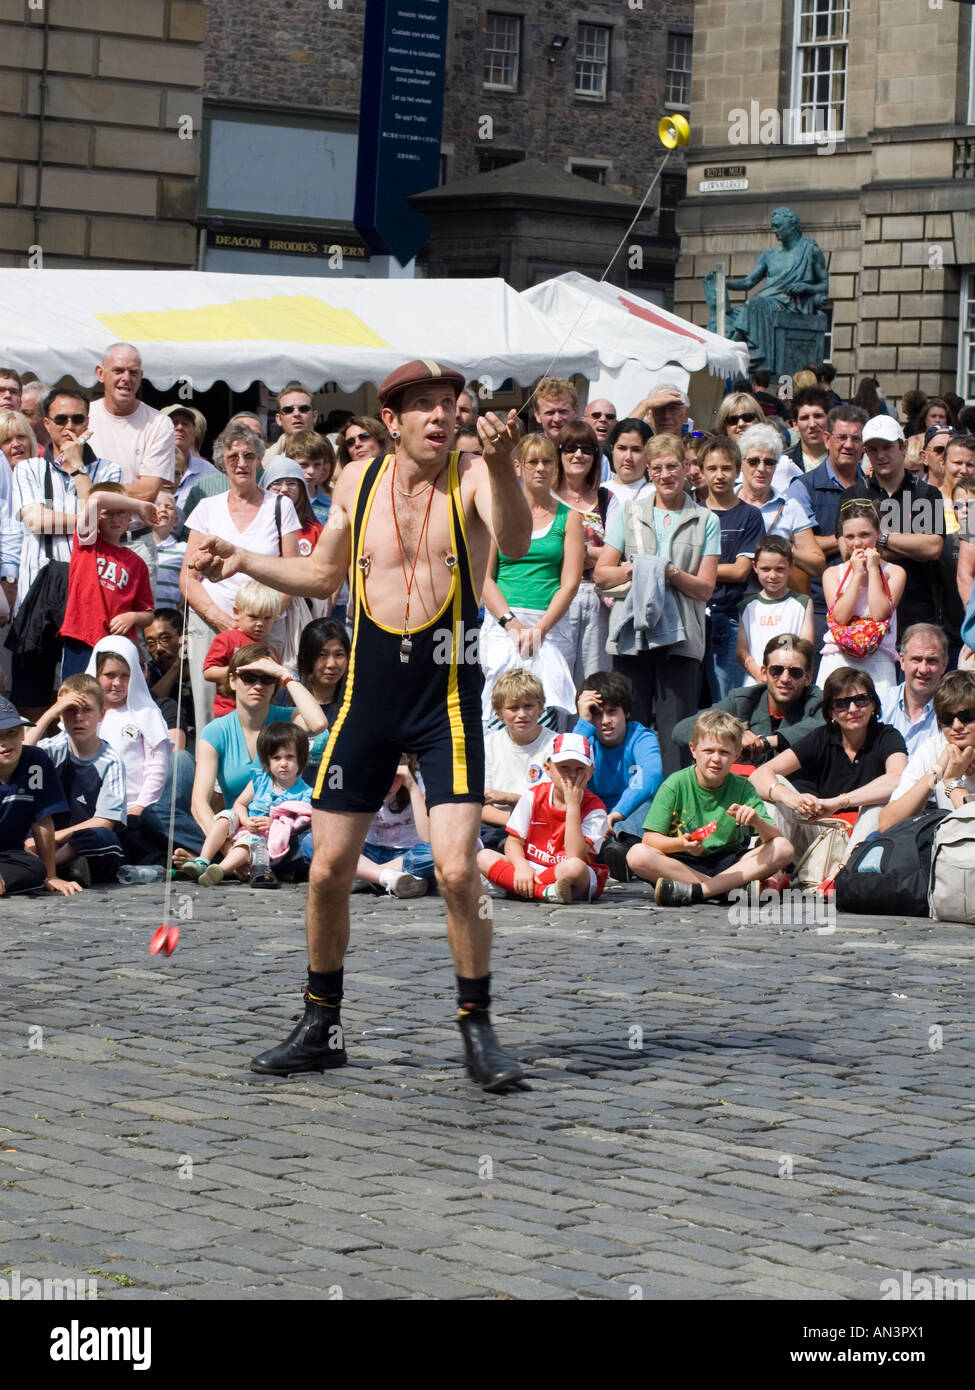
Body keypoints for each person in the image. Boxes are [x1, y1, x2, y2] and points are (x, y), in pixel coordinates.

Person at [193, 358, 532, 1091]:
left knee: (453, 869)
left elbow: (511, 541)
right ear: (392, 420)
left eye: (450, 404)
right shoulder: (356, 481)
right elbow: (321, 576)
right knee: (325, 869)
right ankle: (322, 1024)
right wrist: (240, 558)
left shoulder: (472, 474)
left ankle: (477, 1026)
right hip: (367, 700)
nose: (441, 417)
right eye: (425, 407)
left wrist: (503, 466)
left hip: (444, 700)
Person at [594, 433, 720, 775]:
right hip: (632, 634)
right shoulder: (629, 513)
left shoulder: (707, 520)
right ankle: (621, 809)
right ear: (649, 471)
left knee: (676, 731)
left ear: (686, 468)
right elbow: (602, 575)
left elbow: (705, 588)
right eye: (658, 468)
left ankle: (673, 812)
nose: (666, 474)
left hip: (682, 638)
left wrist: (669, 572)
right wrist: (635, 569)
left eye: (673, 466)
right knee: (625, 724)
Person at [181, 422, 299, 731]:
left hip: (265, 626)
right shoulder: (207, 508)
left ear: (259, 460)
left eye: (249, 455)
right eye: (233, 457)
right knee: (212, 713)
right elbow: (188, 578)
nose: (242, 463)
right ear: (222, 463)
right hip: (212, 626)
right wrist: (221, 620)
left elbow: (293, 572)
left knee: (265, 711)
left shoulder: (280, 506)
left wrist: (265, 618)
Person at [10, 389, 121, 717]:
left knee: (82, 690)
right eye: (61, 419)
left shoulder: (107, 471)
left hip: (89, 590)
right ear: (47, 423)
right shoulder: (29, 469)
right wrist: (87, 518)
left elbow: (102, 529)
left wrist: (77, 470)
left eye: (78, 418)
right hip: (37, 589)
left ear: (89, 422)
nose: (69, 425)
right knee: (31, 692)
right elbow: (36, 520)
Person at [626, 709, 793, 906]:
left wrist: (756, 820)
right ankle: (724, 890)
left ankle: (699, 891)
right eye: (708, 751)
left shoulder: (743, 787)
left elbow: (774, 839)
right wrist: (682, 844)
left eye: (724, 752)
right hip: (682, 863)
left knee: (783, 848)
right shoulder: (675, 784)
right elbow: (650, 839)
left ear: (737, 754)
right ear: (693, 750)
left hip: (729, 862)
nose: (715, 759)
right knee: (637, 854)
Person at [187, 643, 325, 870]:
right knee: (161, 818)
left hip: (282, 828)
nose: (258, 685)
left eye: (267, 678)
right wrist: (229, 847)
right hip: (235, 829)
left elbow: (318, 724)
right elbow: (199, 803)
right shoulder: (216, 731)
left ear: (275, 686)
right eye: (249, 677)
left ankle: (218, 861)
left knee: (307, 840)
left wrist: (284, 674)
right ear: (232, 681)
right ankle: (230, 859)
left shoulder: (286, 720)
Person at [751, 667, 908, 861]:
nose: (853, 710)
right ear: (831, 711)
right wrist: (789, 797)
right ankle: (770, 871)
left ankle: (845, 874)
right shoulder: (822, 737)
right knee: (775, 790)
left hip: (863, 837)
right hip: (821, 834)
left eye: (861, 700)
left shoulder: (887, 737)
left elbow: (898, 779)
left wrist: (840, 801)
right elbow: (758, 775)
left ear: (873, 704)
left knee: (875, 807)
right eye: (841, 703)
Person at [480, 432, 583, 724]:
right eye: (533, 462)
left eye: (547, 461)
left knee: (543, 717)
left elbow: (571, 582)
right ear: (518, 467)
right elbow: (484, 579)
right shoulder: (496, 513)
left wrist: (540, 629)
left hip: (549, 628)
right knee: (500, 715)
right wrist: (512, 624)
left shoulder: (570, 517)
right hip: (503, 626)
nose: (541, 468)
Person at [476, 732, 610, 904]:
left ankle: (517, 887)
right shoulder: (533, 797)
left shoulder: (595, 809)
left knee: (574, 867)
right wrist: (521, 866)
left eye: (580, 769)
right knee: (483, 856)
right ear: (548, 769)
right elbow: (514, 842)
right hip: (532, 866)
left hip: (568, 872)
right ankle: (545, 892)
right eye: (564, 768)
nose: (571, 776)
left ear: (590, 772)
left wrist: (573, 806)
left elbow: (574, 854)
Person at [840, 415, 943, 635]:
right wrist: (912, 545)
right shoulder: (853, 494)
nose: (880, 455)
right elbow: (848, 552)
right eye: (873, 449)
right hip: (864, 614)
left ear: (903, 447)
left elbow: (933, 548)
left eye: (887, 447)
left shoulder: (927, 493)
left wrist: (879, 537)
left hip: (915, 611)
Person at [87, 343, 176, 591]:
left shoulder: (159, 423)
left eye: (133, 372)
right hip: (90, 540)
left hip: (135, 542)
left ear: (141, 377)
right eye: (118, 370)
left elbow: (148, 491)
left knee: (135, 625)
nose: (126, 378)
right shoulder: (82, 416)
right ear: (100, 373)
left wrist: (93, 493)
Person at [182, 722, 313, 887]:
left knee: (247, 845)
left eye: (289, 757)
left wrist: (274, 825)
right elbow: (240, 803)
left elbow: (299, 823)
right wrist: (244, 820)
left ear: (301, 759)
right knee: (224, 817)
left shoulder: (304, 793)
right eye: (276, 758)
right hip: (244, 824)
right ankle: (203, 860)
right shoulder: (260, 780)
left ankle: (218, 871)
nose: (283, 763)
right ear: (267, 760)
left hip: (261, 838)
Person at [24, 673, 126, 885]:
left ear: (102, 714)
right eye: (70, 710)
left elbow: (104, 821)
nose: (79, 717)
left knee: (105, 839)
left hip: (78, 841)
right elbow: (21, 754)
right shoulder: (52, 748)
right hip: (41, 838)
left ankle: (49, 867)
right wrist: (50, 713)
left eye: (87, 710)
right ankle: (59, 867)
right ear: (61, 715)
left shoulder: (111, 760)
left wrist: (56, 837)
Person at [788, 404, 868, 653]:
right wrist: (854, 539)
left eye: (856, 439)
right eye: (841, 437)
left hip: (867, 602)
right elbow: (804, 545)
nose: (849, 445)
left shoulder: (873, 488)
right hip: (820, 603)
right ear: (826, 439)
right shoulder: (803, 487)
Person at [672, 634, 823, 764]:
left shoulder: (817, 701)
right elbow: (681, 730)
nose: (785, 679)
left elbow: (826, 730)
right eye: (776, 670)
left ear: (808, 677)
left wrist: (768, 741)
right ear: (764, 673)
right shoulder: (741, 701)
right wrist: (733, 735)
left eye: (795, 672)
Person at [84, 635, 172, 858]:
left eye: (125, 676)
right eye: (109, 675)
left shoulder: (146, 713)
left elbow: (156, 767)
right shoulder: (83, 715)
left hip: (134, 809)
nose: (117, 683)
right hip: (91, 808)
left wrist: (141, 805)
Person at [57, 483, 156, 678]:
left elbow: (148, 614)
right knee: (78, 697)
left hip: (118, 644)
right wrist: (139, 506)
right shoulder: (87, 543)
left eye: (121, 513)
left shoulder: (138, 564)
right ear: (96, 518)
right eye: (108, 514)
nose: (115, 519)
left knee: (115, 701)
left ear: (129, 518)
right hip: (82, 637)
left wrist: (133, 617)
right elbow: (97, 499)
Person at [573, 670, 663, 877]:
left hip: (628, 815)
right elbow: (563, 775)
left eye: (612, 711)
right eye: (596, 713)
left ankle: (618, 851)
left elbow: (651, 776)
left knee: (649, 804)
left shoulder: (641, 736)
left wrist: (616, 814)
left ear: (627, 712)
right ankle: (611, 854)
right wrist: (583, 723)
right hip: (594, 813)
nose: (605, 721)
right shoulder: (583, 737)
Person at [701, 435, 765, 699]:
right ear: (701, 471)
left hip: (729, 619)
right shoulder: (693, 512)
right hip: (693, 617)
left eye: (726, 468)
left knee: (726, 698)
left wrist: (695, 572)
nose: (719, 475)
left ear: (738, 471)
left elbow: (741, 571)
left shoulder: (750, 515)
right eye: (712, 468)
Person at [817, 500, 905, 690]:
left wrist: (873, 570)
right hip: (838, 658)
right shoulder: (832, 574)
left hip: (879, 658)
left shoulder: (895, 572)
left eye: (865, 535)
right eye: (849, 536)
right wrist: (856, 574)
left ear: (879, 534)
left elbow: (880, 614)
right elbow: (840, 617)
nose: (857, 543)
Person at [0, 693, 78, 897]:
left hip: (10, 855)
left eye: (11, 733)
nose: (5, 743)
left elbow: (43, 819)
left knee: (36, 871)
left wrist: (51, 875)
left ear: (23, 734)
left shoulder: (36, 761)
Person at [878, 670, 975, 831]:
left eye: (966, 716)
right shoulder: (935, 747)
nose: (957, 726)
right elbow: (887, 824)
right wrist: (937, 771)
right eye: (948, 719)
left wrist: (952, 781)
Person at [552, 419, 609, 685]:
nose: (578, 455)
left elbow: (616, 553)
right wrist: (588, 552)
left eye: (587, 449)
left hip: (598, 599)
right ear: (559, 453)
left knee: (593, 681)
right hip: (555, 594)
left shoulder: (608, 500)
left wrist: (577, 550)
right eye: (570, 448)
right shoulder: (545, 498)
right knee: (557, 679)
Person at [735, 423, 824, 580]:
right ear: (741, 463)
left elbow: (818, 564)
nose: (761, 468)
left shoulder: (789, 507)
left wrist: (783, 548)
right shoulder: (727, 502)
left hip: (774, 600)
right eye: (753, 461)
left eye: (769, 462)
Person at [481, 669, 555, 851]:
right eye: (513, 708)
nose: (521, 714)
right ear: (499, 713)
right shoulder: (488, 744)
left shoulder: (555, 744)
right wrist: (514, 825)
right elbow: (480, 805)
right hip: (498, 823)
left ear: (541, 708)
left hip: (542, 821)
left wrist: (506, 797)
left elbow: (553, 802)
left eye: (528, 706)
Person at [343, 756, 436, 900]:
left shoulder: (420, 781)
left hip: (407, 853)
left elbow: (427, 837)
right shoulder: (360, 780)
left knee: (437, 853)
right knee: (313, 841)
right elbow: (349, 832)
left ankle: (368, 875)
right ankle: (388, 877)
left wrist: (411, 787)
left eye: (393, 778)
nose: (385, 785)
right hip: (369, 851)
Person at [736, 536, 813, 683]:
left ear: (791, 566)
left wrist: (787, 674)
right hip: (756, 682)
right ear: (754, 567)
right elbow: (741, 651)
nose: (772, 575)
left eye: (780, 569)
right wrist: (759, 674)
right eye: (765, 569)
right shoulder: (746, 606)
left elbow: (806, 645)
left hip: (789, 682)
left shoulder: (802, 602)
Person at [203, 580, 281, 718]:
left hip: (260, 713)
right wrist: (241, 670)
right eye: (253, 616)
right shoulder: (226, 638)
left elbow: (277, 681)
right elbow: (209, 672)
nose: (260, 624)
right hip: (228, 712)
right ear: (237, 612)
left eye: (267, 618)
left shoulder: (270, 650)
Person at [288, 617, 350, 786]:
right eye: (321, 655)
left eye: (339, 655)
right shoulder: (285, 700)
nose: (331, 664)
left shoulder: (355, 705)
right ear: (306, 657)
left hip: (337, 801)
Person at [878, 624, 948, 756]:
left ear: (944, 665)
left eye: (932, 661)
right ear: (902, 661)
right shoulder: (880, 704)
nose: (923, 669)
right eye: (916, 659)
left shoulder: (954, 712)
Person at [145, 607, 194, 749]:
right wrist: (176, 666)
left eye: (165, 639)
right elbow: (151, 702)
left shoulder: (205, 665)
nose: (159, 649)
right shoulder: (149, 672)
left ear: (183, 636)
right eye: (151, 644)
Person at [262, 457, 323, 558]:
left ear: (301, 489)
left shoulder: (316, 531)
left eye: (291, 483)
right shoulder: (256, 528)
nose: (285, 489)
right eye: (276, 483)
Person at [159, 404, 215, 510]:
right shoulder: (144, 468)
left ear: (194, 434)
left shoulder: (209, 473)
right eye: (174, 422)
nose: (180, 427)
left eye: (185, 424)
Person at [283, 429, 335, 525]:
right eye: (304, 464)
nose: (311, 471)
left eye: (317, 465)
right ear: (289, 463)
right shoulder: (280, 500)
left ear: (324, 467)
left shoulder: (332, 503)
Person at [602, 417, 652, 516]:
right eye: (622, 448)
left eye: (636, 450)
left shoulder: (657, 495)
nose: (628, 457)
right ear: (612, 449)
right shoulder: (598, 493)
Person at [262, 381, 319, 463]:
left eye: (304, 409)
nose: (296, 414)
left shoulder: (335, 454)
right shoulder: (263, 460)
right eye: (288, 410)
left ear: (314, 416)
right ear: (279, 419)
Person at [151, 489, 186, 608]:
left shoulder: (183, 550)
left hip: (169, 618)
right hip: (140, 619)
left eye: (169, 507)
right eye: (157, 505)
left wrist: (187, 595)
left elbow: (198, 578)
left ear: (175, 520)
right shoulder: (137, 548)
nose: (163, 509)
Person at [783, 386, 829, 472]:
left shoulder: (843, 460)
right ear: (795, 425)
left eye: (818, 416)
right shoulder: (783, 463)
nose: (812, 424)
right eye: (805, 418)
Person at [531, 377, 578, 444]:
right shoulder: (529, 453)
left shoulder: (587, 451)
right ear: (538, 415)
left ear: (575, 411)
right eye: (550, 413)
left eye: (563, 411)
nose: (557, 419)